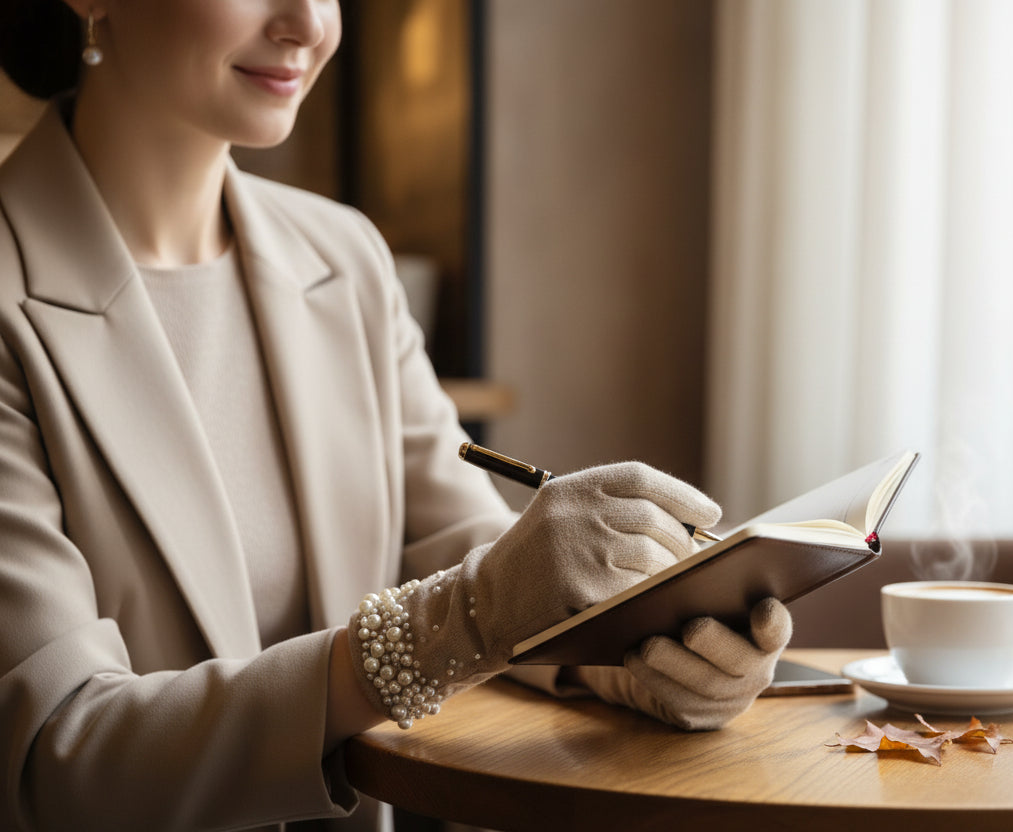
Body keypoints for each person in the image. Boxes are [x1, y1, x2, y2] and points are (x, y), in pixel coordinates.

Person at [0, 1, 792, 829]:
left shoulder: (346, 259)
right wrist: (472, 614)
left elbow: (461, 549)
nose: (308, 24)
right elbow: (59, 750)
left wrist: (632, 659)